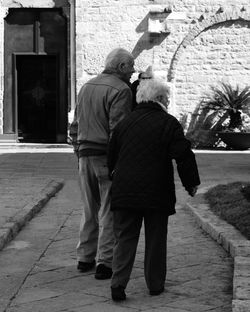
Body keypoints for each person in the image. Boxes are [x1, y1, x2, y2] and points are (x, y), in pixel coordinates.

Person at [107, 78, 200, 301]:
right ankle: (155, 284)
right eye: (166, 97)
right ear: (159, 98)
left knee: (125, 238)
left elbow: (112, 156)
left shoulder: (125, 122)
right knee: (156, 238)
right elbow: (183, 155)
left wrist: (115, 177)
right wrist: (191, 183)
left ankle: (118, 285)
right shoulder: (169, 123)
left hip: (125, 191)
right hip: (156, 191)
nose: (168, 101)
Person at [69, 48, 135, 280]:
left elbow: (75, 124)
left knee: (89, 208)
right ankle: (105, 262)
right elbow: (118, 129)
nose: (133, 71)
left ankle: (84, 258)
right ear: (121, 67)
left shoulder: (86, 86)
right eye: (131, 66)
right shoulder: (121, 89)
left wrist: (78, 151)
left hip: (85, 155)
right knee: (108, 209)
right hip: (105, 156)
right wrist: (121, 161)